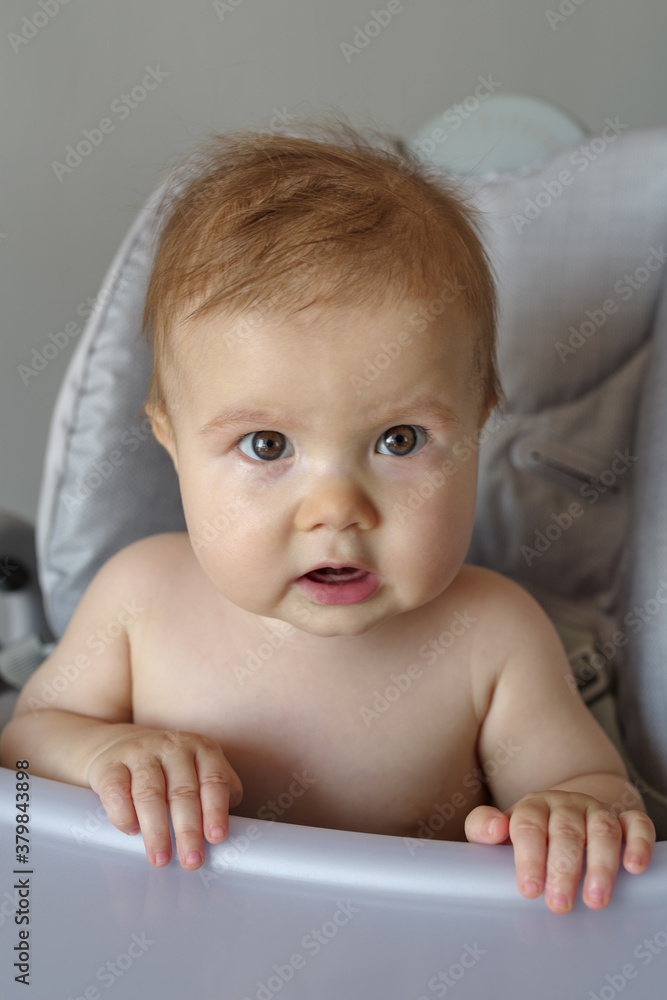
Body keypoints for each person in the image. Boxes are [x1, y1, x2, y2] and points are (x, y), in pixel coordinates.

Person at [0, 112, 655, 914]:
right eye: (267, 446)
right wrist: (104, 754)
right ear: (170, 440)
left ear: (478, 425)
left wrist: (576, 814)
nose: (337, 510)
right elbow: (25, 746)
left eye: (399, 439)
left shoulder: (493, 636)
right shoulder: (139, 599)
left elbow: (588, 786)